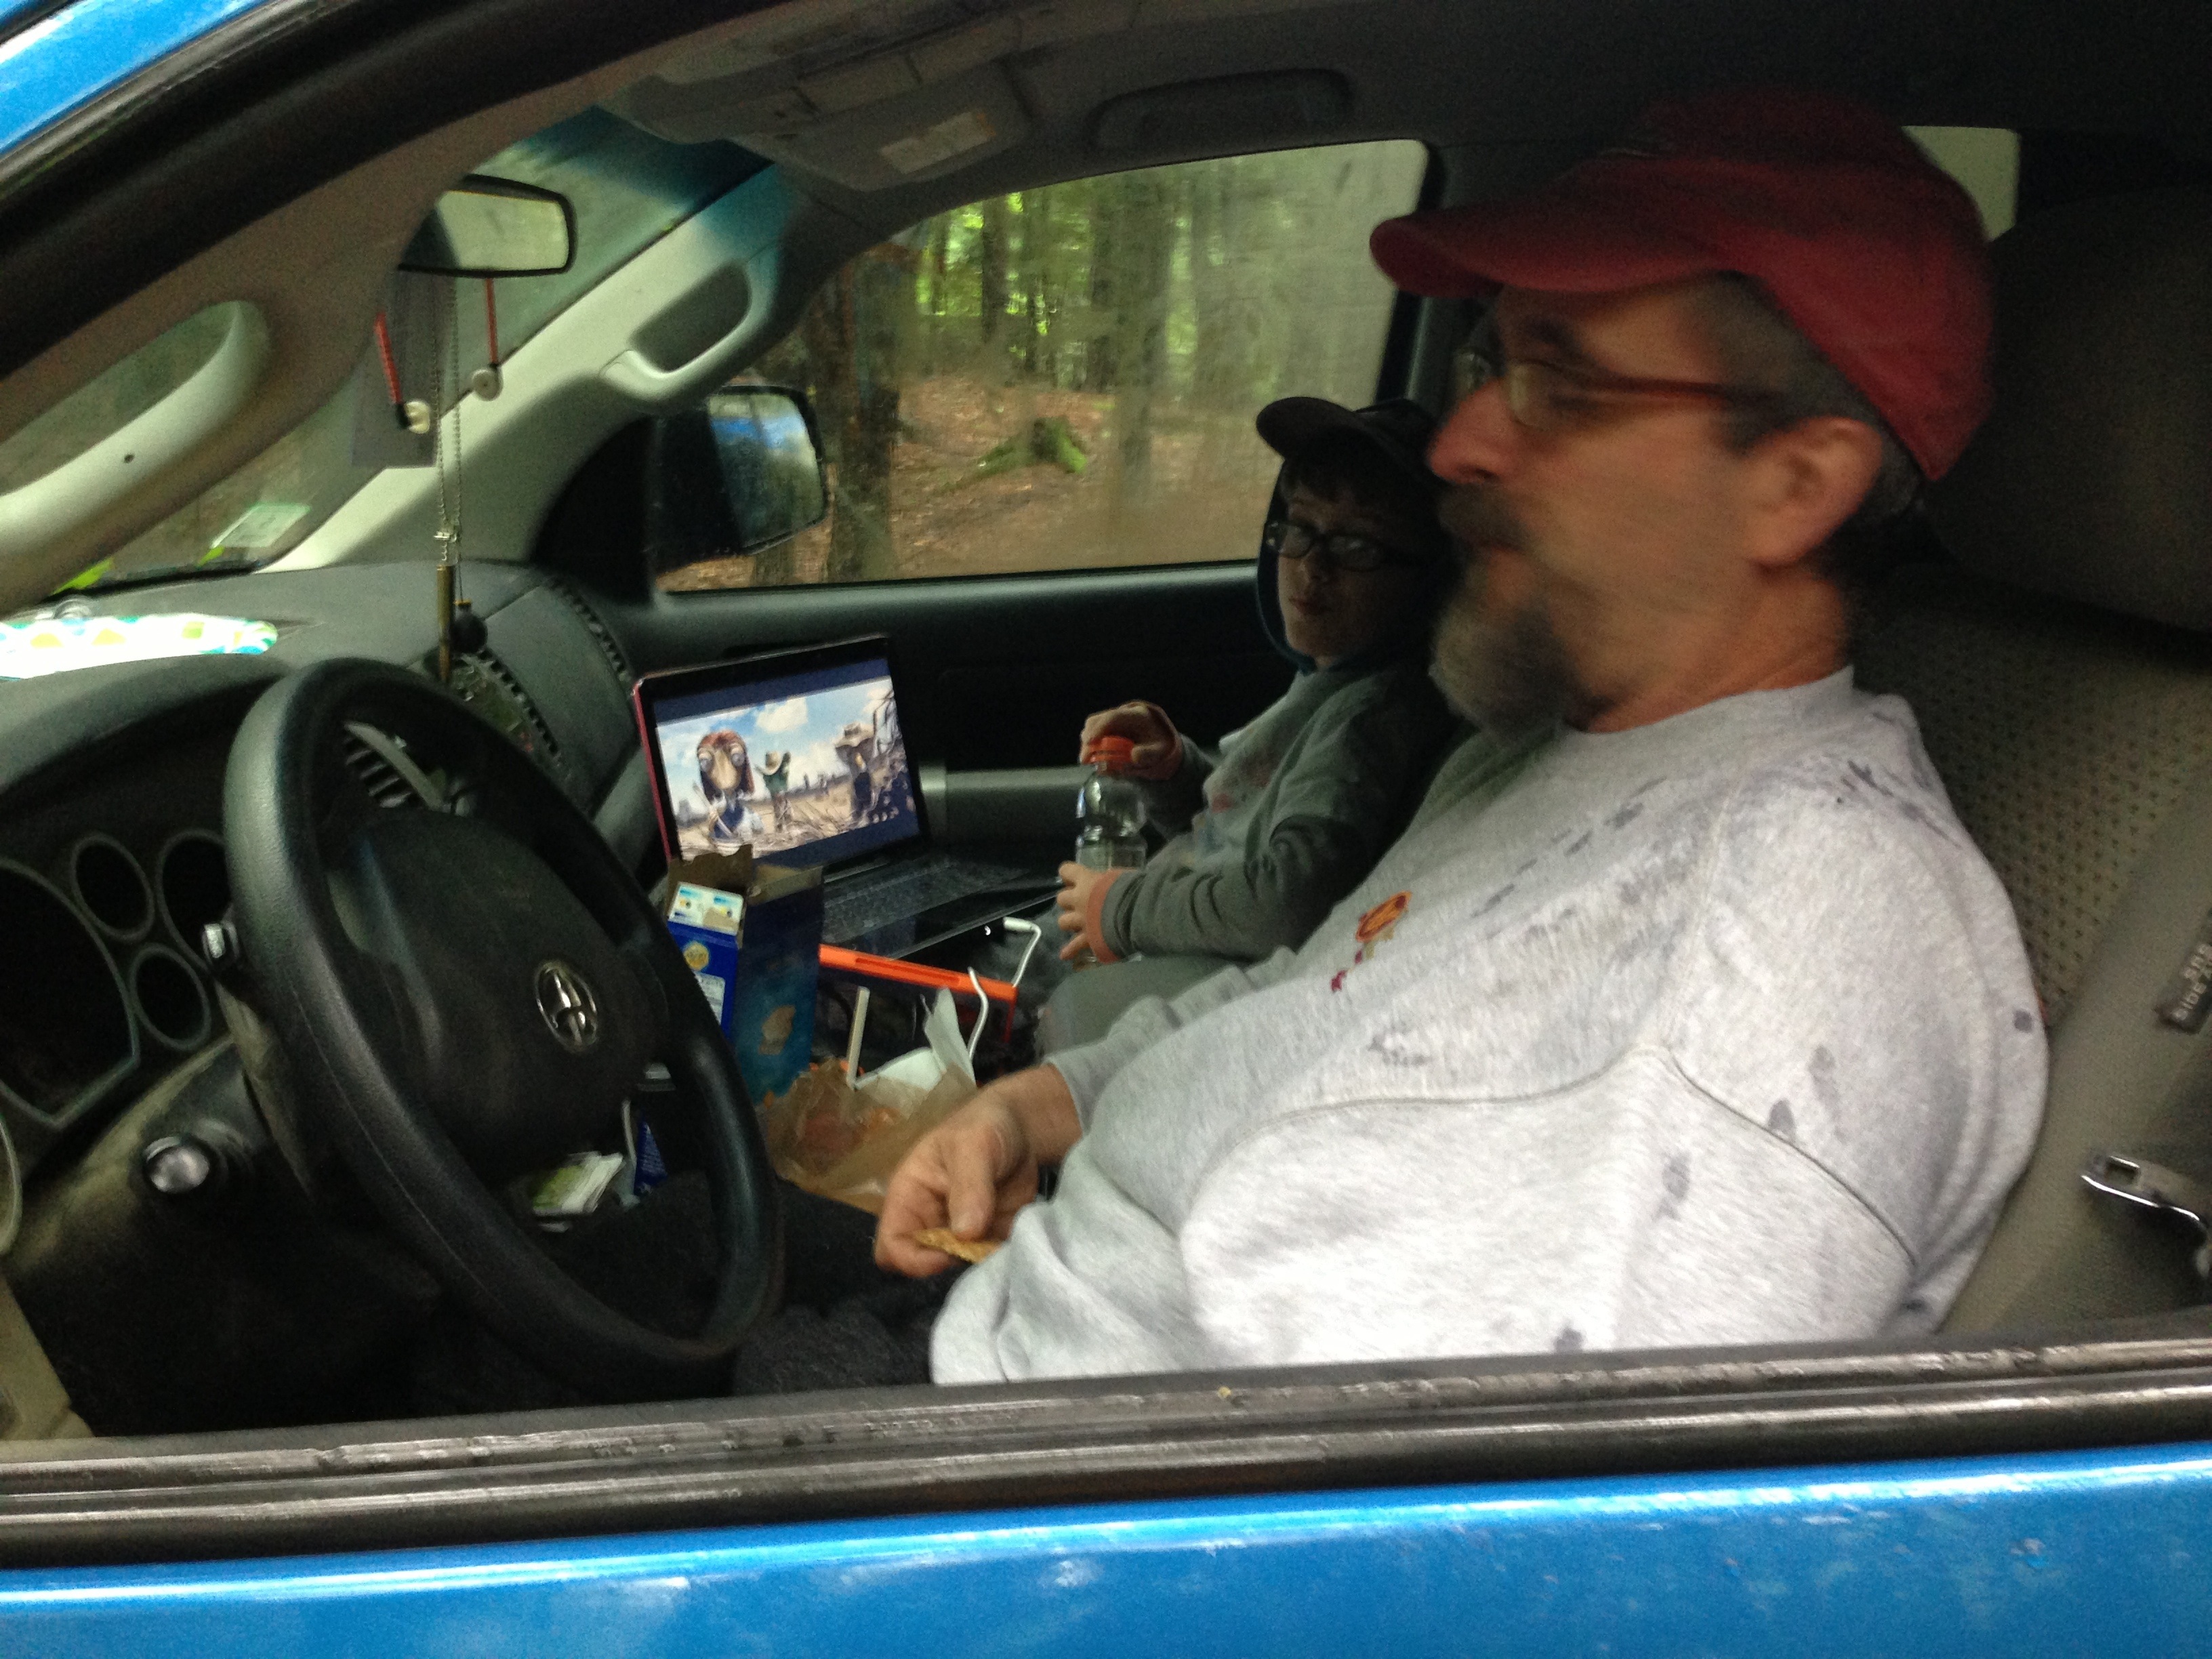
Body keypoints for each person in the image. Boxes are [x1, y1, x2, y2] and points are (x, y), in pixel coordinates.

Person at [724, 88, 2048, 1393]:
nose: (1459, 441)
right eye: (1486, 361)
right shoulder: (1543, 750)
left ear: (1794, 484)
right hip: (1031, 1306)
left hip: (1037, 1461)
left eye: (1555, 383)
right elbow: (1321, 993)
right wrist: (1045, 1101)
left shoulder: (1785, 942)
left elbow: (1509, 1505)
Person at [1048, 400, 1463, 1025]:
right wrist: (1174, 774)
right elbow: (1239, 836)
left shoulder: (1368, 721)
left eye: (1357, 544)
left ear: (1428, 579)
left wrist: (1125, 909)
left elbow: (1287, 902)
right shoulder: (1331, 682)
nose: (1313, 565)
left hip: (1209, 982)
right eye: (1299, 527)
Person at [760, 749, 792, 831]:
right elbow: (768, 784)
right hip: (776, 796)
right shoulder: (768, 776)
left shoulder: (783, 768)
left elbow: (787, 758)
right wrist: (776, 793)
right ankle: (780, 830)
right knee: (779, 814)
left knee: (787, 814)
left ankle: (788, 829)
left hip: (782, 795)